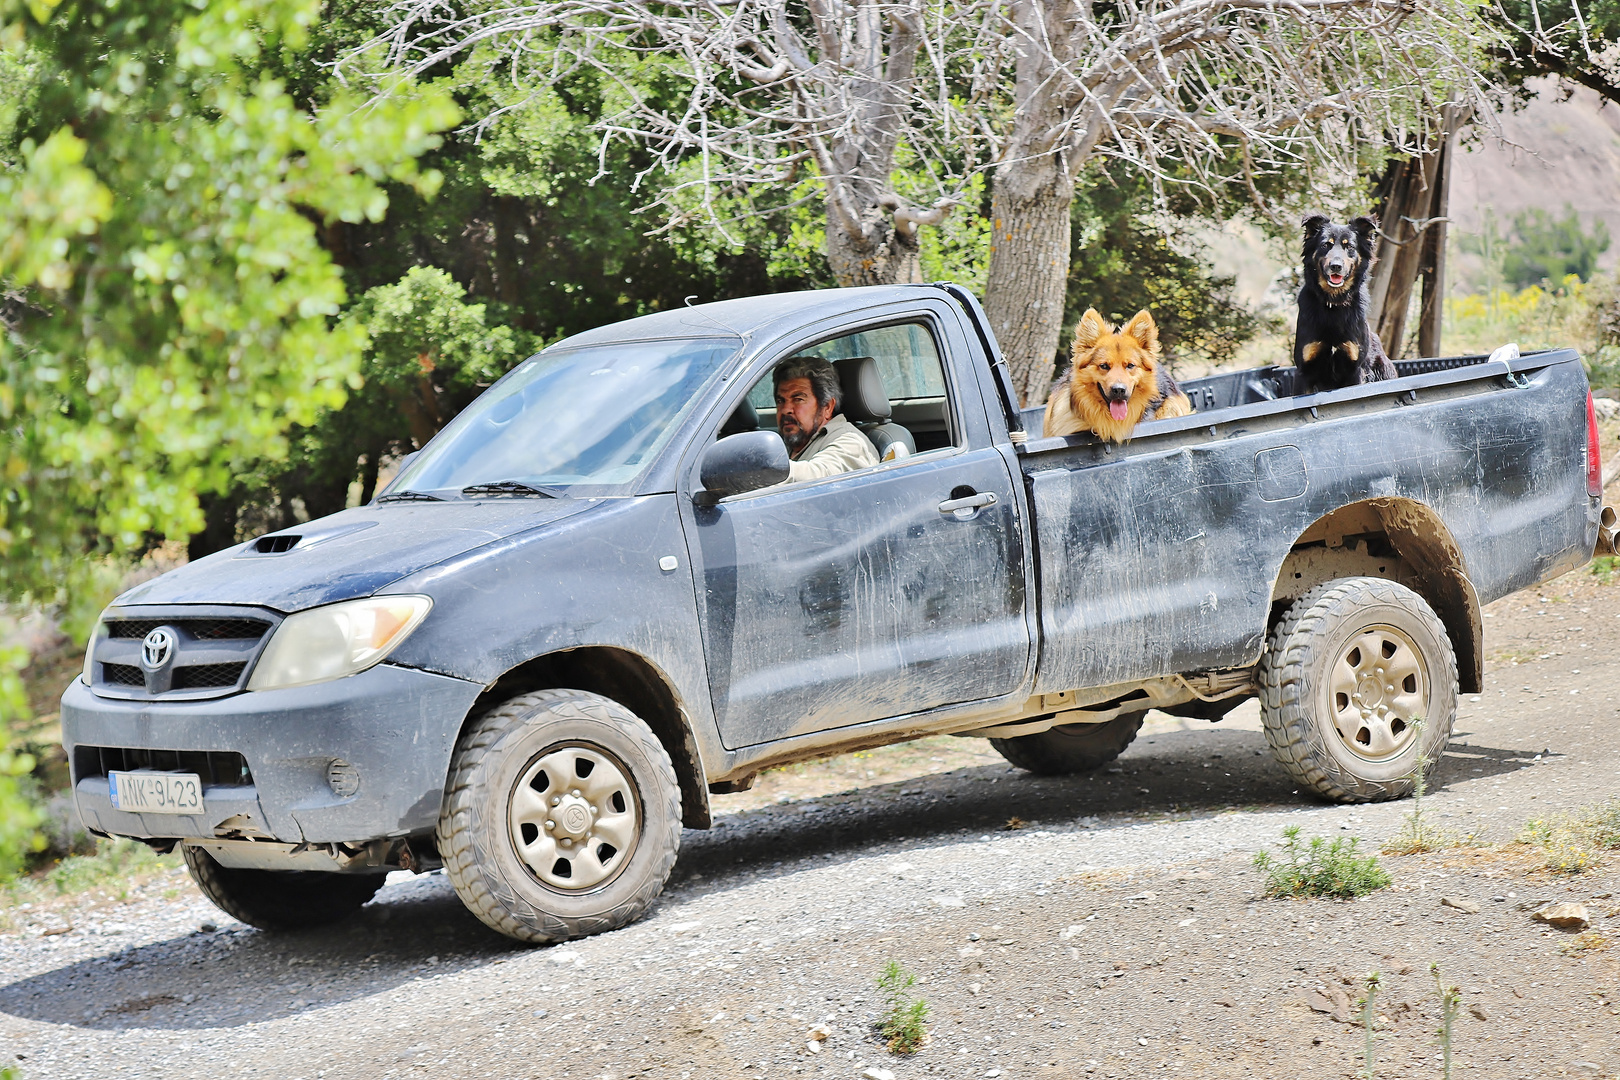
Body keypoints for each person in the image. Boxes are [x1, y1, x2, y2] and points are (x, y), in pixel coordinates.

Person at [773, 356, 879, 482]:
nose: (785, 409)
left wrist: (761, 469)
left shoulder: (851, 442)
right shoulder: (792, 443)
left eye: (798, 399)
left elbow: (819, 476)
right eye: (780, 401)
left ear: (827, 407)